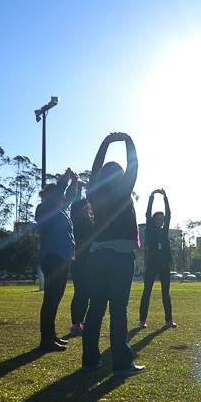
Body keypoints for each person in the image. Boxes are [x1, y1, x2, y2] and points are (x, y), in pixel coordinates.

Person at [81, 132, 145, 377]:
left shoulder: (94, 193)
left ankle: (89, 359)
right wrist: (128, 140)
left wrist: (106, 143)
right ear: (119, 177)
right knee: (118, 309)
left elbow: (95, 168)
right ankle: (121, 363)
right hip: (120, 258)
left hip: (97, 256)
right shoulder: (122, 191)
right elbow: (134, 165)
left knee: (95, 308)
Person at [36, 168, 78, 352]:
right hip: (52, 257)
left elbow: (67, 197)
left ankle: (51, 336)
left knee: (55, 298)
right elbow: (60, 193)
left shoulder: (60, 210)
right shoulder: (46, 208)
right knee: (51, 298)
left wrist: (74, 184)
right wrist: (65, 178)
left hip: (62, 257)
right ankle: (46, 339)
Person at [139, 188, 177, 328]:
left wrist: (165, 197)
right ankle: (142, 320)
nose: (161, 221)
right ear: (154, 220)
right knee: (147, 291)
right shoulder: (149, 228)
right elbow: (147, 213)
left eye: (162, 219)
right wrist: (152, 196)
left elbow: (169, 215)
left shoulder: (164, 229)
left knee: (165, 293)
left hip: (164, 264)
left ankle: (169, 320)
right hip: (152, 263)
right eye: (158, 219)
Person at [68, 194, 95, 336]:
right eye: (86, 206)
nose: (88, 207)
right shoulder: (76, 223)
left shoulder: (90, 221)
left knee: (86, 293)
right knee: (80, 292)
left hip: (89, 261)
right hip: (79, 261)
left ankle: (80, 322)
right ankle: (76, 323)